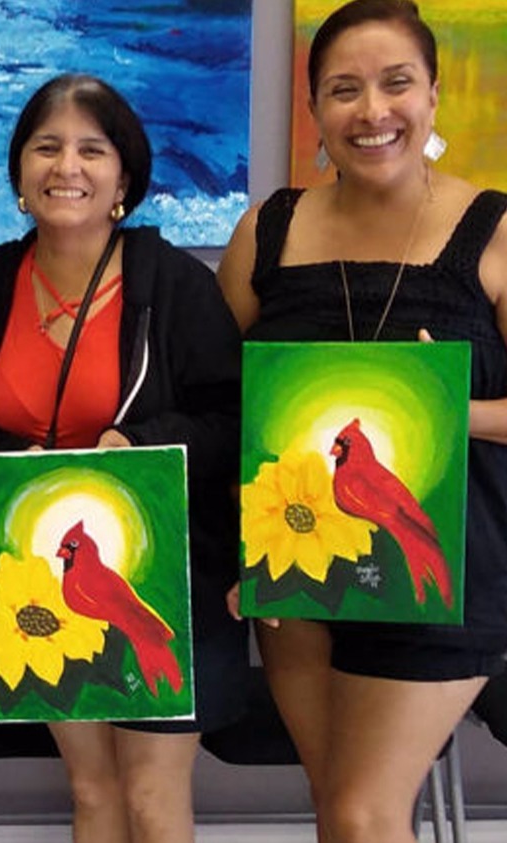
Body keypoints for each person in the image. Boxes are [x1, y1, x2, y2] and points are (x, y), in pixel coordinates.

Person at [217, 2, 507, 841]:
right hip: (300, 566)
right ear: (315, 110)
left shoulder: (491, 231)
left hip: (441, 573)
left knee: (359, 812)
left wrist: (452, 409)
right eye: (344, 89)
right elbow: (215, 398)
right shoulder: (266, 230)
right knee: (339, 806)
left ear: (435, 95)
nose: (372, 111)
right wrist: (238, 546)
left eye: (396, 83)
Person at [0, 73, 248, 843]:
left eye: (91, 148)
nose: (66, 166)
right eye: (46, 147)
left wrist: (139, 443)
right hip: (33, 582)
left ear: (124, 176)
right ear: (19, 170)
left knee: (150, 794)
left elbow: (234, 419)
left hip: (162, 578)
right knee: (91, 791)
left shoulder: (175, 284)